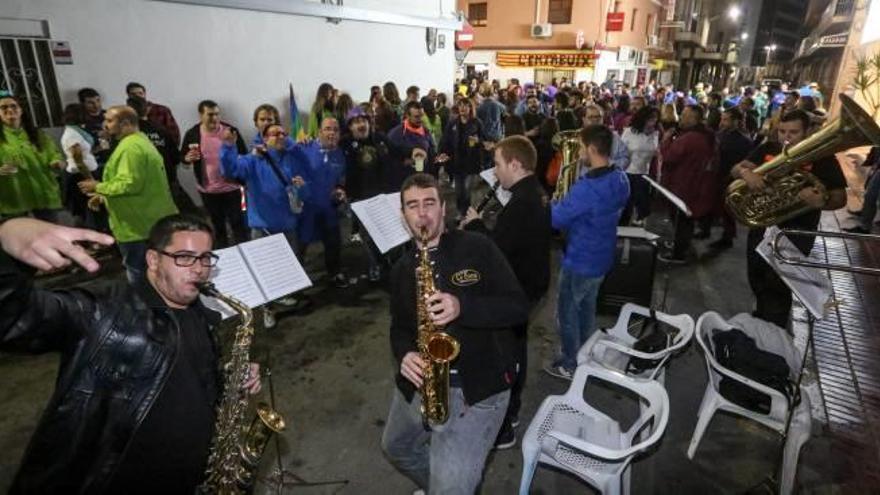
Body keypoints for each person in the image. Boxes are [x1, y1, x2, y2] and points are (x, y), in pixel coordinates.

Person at [0, 214, 262, 493]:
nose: (198, 269)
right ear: (152, 260)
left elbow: (190, 377)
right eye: (184, 257)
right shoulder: (103, 308)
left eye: (205, 258)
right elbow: (12, 318)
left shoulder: (200, 313)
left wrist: (230, 381)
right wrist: (6, 236)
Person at [381, 173, 528, 494]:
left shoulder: (478, 247)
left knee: (453, 487)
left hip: (478, 390)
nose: (422, 214)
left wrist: (463, 306)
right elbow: (400, 328)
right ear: (403, 215)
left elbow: (518, 307)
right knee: (396, 447)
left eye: (429, 203)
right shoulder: (402, 269)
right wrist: (405, 353)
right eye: (412, 206)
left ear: (443, 208)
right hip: (423, 382)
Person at [461, 136, 551, 449]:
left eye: (497, 164)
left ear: (515, 164)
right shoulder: (532, 192)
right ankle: (511, 413)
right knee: (516, 346)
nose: (494, 171)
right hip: (532, 283)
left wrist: (474, 225)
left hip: (520, 289)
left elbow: (497, 250)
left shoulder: (523, 203)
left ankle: (505, 422)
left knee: (507, 354)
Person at [732, 109, 847, 330]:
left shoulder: (822, 156)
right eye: (782, 131)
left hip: (796, 234)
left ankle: (772, 337)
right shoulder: (769, 148)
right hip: (763, 228)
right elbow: (737, 168)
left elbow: (840, 197)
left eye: (793, 132)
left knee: (778, 290)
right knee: (757, 280)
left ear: (807, 132)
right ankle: (761, 325)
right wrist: (746, 174)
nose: (786, 137)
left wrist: (821, 201)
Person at [545, 125, 630, 379]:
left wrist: (553, 203)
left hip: (580, 260)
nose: (578, 152)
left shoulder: (587, 188)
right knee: (587, 308)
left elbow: (557, 220)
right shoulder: (620, 178)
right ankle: (586, 352)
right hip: (602, 256)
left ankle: (571, 364)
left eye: (581, 147)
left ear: (592, 149)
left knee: (567, 312)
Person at [77, 105, 178, 282]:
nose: (105, 124)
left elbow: (130, 184)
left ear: (125, 123)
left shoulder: (131, 148)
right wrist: (104, 196)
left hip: (138, 226)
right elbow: (138, 181)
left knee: (140, 273)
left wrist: (98, 187)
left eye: (109, 120)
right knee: (154, 270)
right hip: (145, 218)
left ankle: (150, 306)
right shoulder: (137, 141)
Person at [180, 100, 249, 248]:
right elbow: (183, 160)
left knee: (239, 225)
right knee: (218, 227)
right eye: (210, 114)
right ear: (201, 115)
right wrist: (186, 160)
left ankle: (246, 255)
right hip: (208, 190)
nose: (215, 118)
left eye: (217, 114)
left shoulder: (231, 131)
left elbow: (244, 156)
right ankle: (225, 256)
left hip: (233, 188)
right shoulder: (192, 134)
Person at [657, 104, 716, 264]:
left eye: (684, 115)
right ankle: (681, 247)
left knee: (681, 221)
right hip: (694, 184)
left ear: (692, 119)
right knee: (685, 221)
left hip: (683, 185)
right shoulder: (706, 136)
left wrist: (666, 140)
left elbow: (669, 157)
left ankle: (678, 253)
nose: (680, 117)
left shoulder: (689, 139)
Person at [296, 117, 350, 288]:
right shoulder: (304, 148)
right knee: (300, 245)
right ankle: (295, 281)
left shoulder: (340, 155)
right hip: (307, 208)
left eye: (335, 130)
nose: (332, 133)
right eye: (327, 129)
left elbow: (341, 179)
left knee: (334, 241)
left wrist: (340, 190)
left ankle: (334, 273)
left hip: (328, 207)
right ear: (319, 131)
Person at [341, 107, 391, 281]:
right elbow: (324, 146)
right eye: (356, 122)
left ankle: (386, 262)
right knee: (367, 236)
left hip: (381, 196)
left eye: (363, 121)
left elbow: (398, 150)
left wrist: (413, 151)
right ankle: (376, 265)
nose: (361, 125)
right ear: (350, 127)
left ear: (369, 122)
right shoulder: (344, 143)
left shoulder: (380, 139)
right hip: (359, 199)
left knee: (384, 233)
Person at [0, 92, 65, 222]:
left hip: (43, 194)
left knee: (50, 234)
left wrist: (57, 162)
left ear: (21, 110)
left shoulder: (36, 134)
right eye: (3, 107)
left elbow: (54, 154)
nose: (10, 110)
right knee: (20, 238)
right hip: (13, 198)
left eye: (14, 106)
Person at [709, 107, 755, 249]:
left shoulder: (742, 140)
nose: (722, 122)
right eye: (722, 119)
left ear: (736, 121)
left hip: (729, 178)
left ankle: (727, 237)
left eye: (726, 119)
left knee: (727, 209)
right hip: (718, 175)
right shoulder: (722, 134)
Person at [438, 97, 487, 217]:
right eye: (460, 105)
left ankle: (466, 213)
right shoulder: (453, 123)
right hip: (456, 163)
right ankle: (461, 211)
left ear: (471, 108)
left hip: (471, 163)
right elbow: (446, 141)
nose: (462, 108)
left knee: (467, 191)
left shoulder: (477, 123)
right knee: (459, 191)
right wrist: (443, 154)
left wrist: (478, 141)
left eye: (465, 105)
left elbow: (485, 141)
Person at [60, 103, 100, 227]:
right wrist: (90, 179)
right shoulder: (71, 134)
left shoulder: (79, 131)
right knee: (86, 210)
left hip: (86, 172)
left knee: (91, 209)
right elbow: (78, 160)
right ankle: (89, 239)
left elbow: (85, 153)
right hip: (80, 175)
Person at [620, 106, 660, 225]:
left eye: (655, 118)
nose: (653, 121)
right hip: (628, 172)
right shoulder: (629, 132)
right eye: (651, 118)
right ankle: (623, 226)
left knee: (643, 204)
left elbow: (657, 153)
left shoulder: (656, 134)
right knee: (626, 204)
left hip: (645, 174)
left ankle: (639, 223)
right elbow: (621, 151)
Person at [387, 101, 437, 190]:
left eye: (422, 115)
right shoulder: (395, 134)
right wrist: (404, 162)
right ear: (407, 116)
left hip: (424, 181)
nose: (421, 119)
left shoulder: (426, 131)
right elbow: (388, 159)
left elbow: (432, 154)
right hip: (404, 184)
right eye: (417, 117)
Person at [125, 81, 181, 148]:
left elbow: (174, 134)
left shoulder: (161, 110)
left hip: (161, 150)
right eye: (133, 94)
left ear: (145, 94)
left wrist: (170, 152)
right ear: (128, 96)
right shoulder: (125, 113)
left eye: (140, 93)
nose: (138, 96)